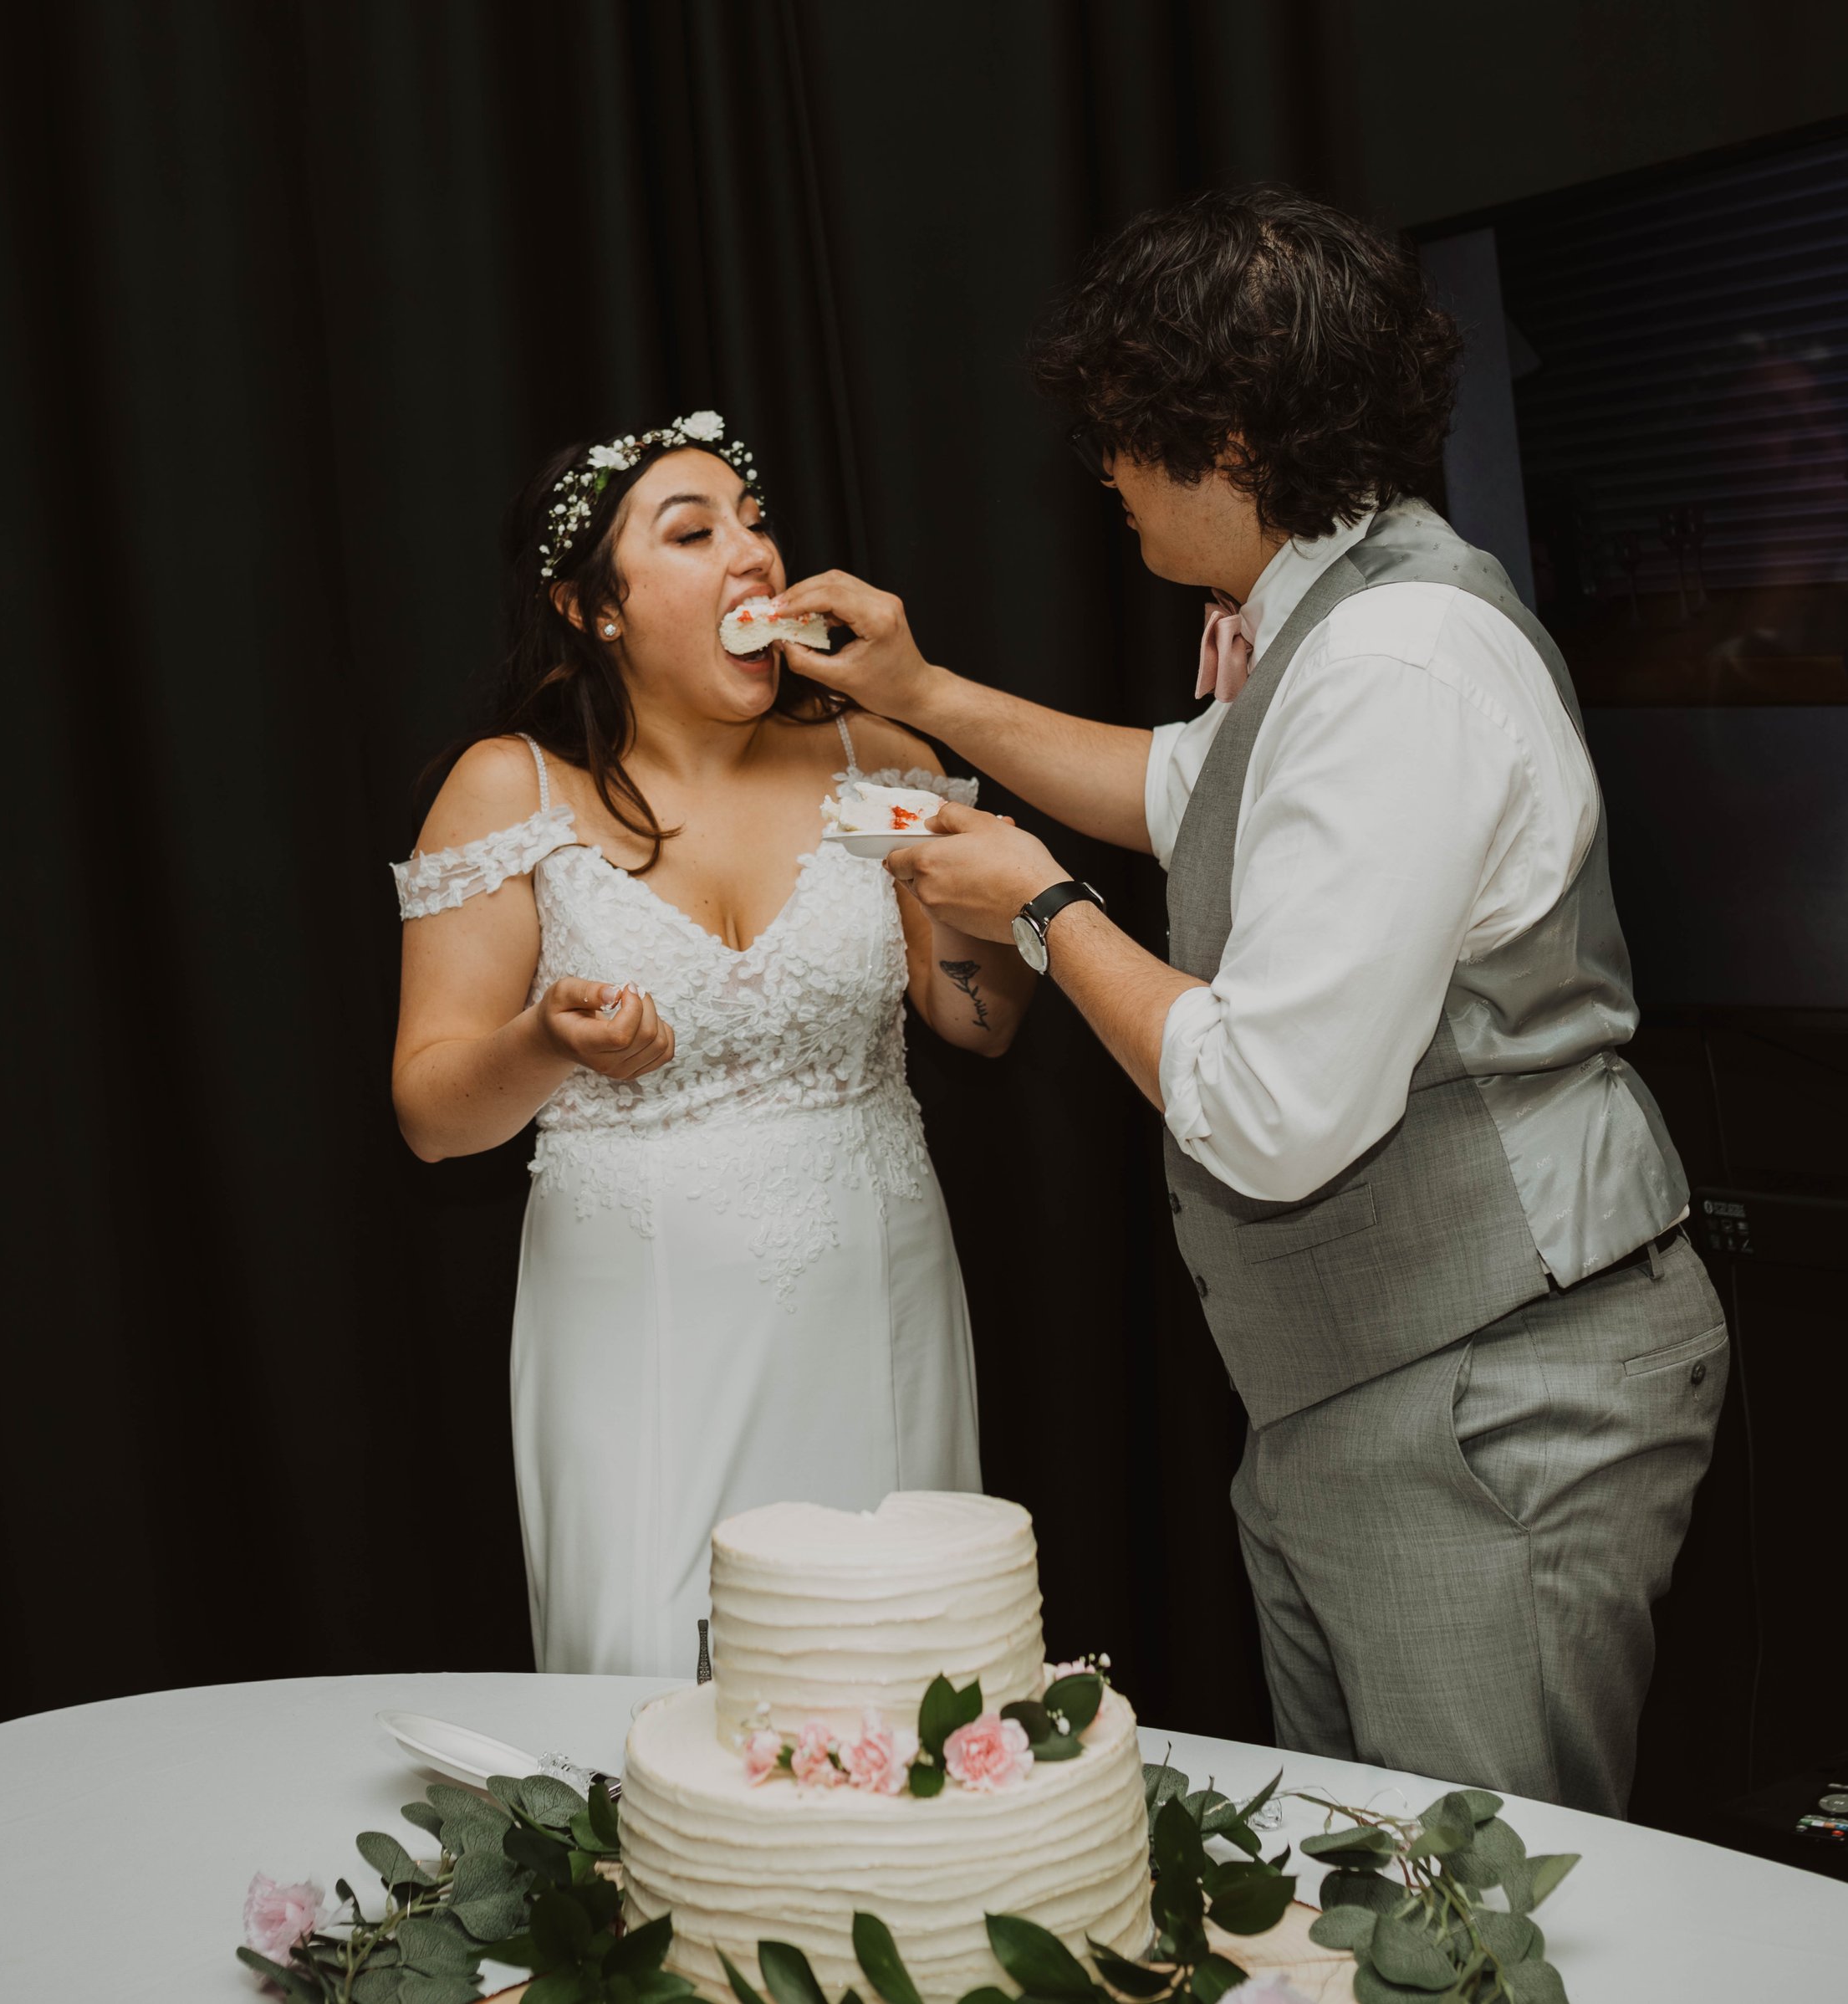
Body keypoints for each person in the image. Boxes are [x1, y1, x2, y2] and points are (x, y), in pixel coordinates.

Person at [773, 188, 1726, 1817]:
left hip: (1489, 1389)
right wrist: (921, 694)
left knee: (1475, 1915)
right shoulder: (1330, 618)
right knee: (1361, 1902)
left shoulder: (1390, 664)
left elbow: (1271, 1115)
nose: (1105, 482)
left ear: (1218, 440)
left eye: (1121, 443)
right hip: (1366, 1387)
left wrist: (1041, 909)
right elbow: (1176, 786)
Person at [389, 412, 1033, 1677]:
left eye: (758, 522)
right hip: (641, 1332)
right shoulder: (507, 789)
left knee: (909, 1679)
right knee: (660, 1695)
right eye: (693, 533)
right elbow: (432, 1114)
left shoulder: (879, 758)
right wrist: (546, 1041)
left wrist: (991, 910)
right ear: (596, 610)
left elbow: (980, 1021)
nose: (753, 556)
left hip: (874, 1294)